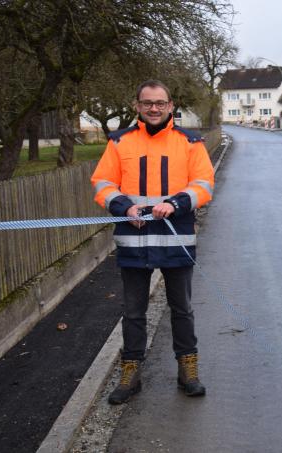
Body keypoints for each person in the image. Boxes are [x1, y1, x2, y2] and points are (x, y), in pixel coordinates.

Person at [91, 80, 215, 404]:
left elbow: (204, 184)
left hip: (177, 239)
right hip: (135, 240)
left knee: (182, 309)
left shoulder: (190, 142)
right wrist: (123, 206)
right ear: (137, 106)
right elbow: (102, 183)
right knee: (133, 312)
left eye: (160, 103)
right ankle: (131, 373)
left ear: (171, 105)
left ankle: (188, 369)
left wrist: (176, 203)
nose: (154, 108)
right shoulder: (119, 143)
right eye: (148, 103)